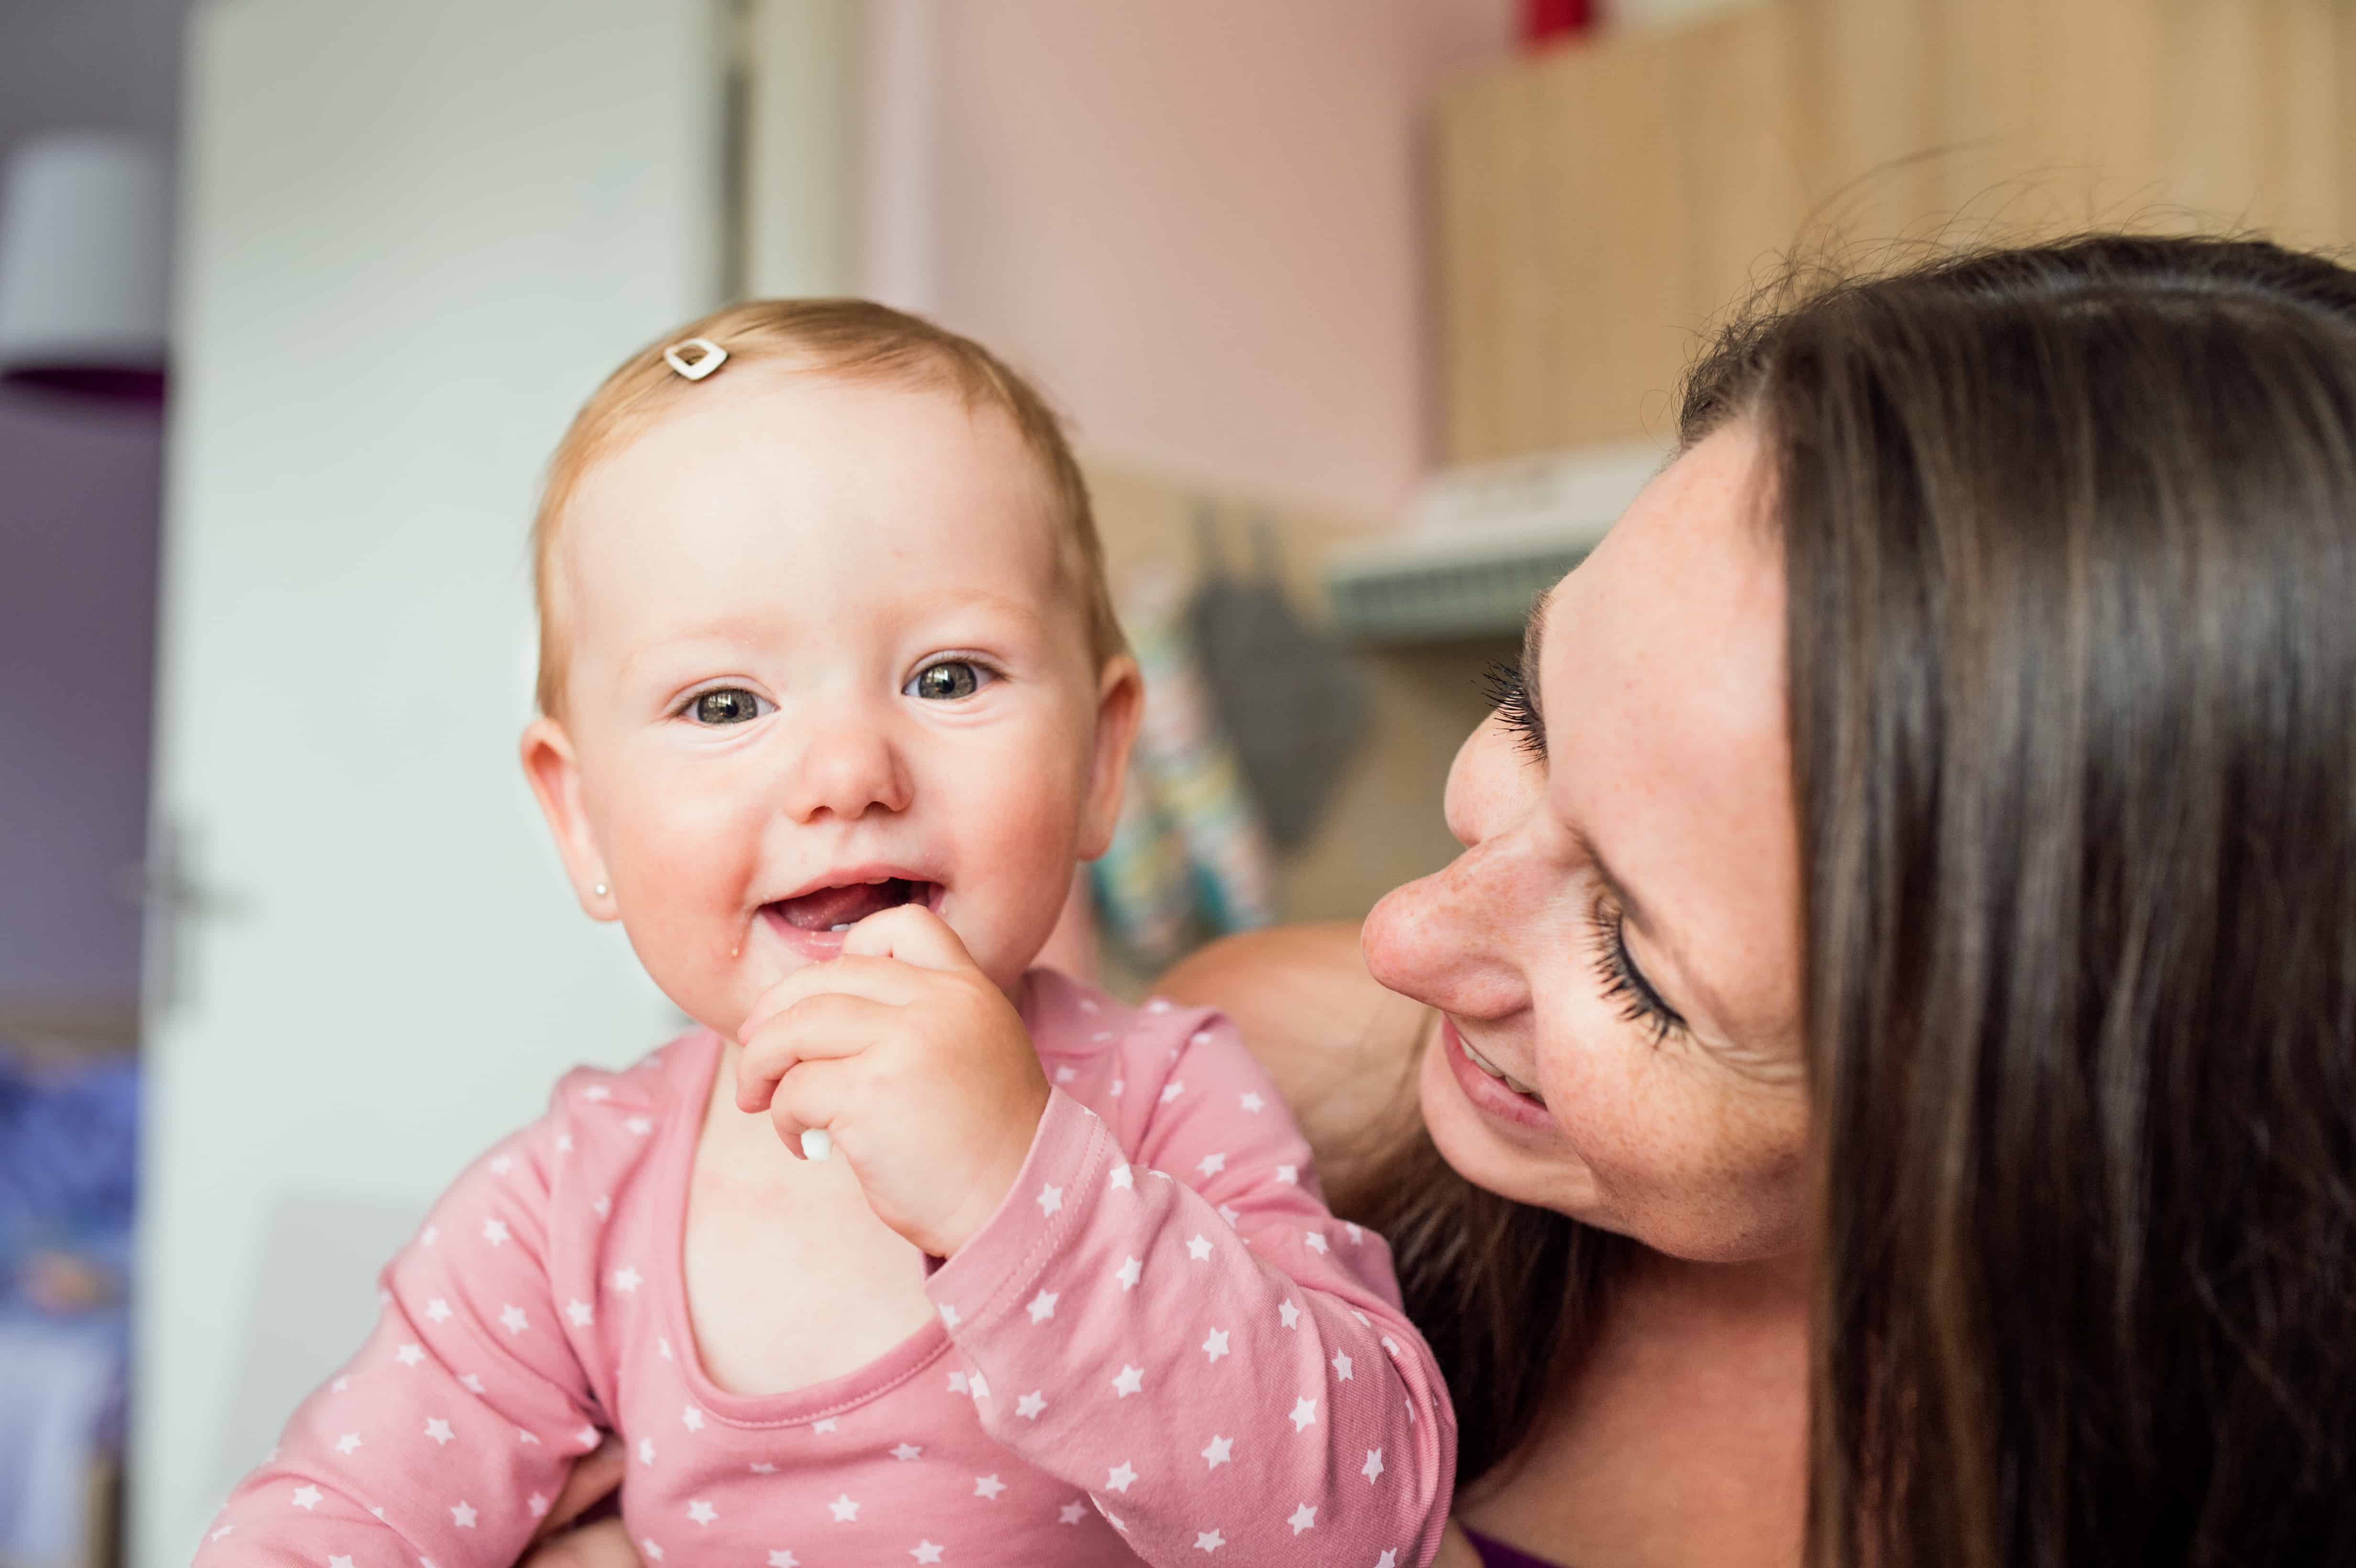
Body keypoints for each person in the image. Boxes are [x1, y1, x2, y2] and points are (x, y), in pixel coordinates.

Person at [521, 233, 2356, 1568]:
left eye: (1636, 964)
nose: (1409, 942)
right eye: (1531, 709)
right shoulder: (1280, 1057)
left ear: (2052, 1127)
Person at [193, 301, 1453, 1568]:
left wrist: (1016, 1185)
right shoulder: (569, 1204)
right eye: (725, 701)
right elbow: (332, 1527)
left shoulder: (1169, 1101)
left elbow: (1366, 1523)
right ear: (581, 821)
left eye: (949, 676)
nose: (848, 772)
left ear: (1101, 756)